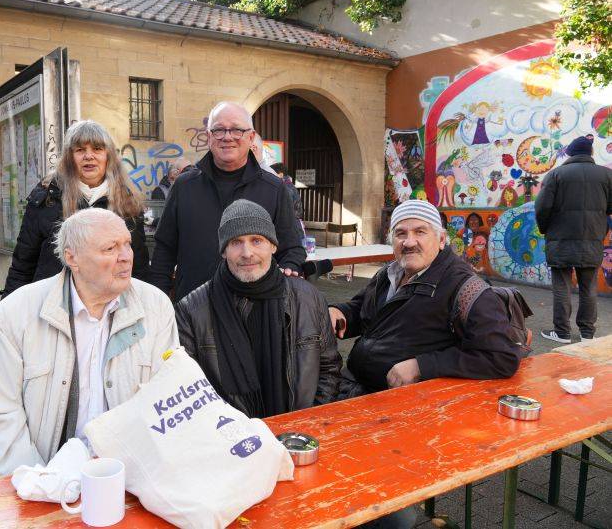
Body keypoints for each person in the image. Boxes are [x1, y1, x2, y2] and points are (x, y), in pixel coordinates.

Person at [0, 208, 180, 478]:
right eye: (110, 248)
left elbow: (168, 398)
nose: (126, 256)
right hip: (40, 477)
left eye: (127, 244)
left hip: (128, 478)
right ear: (72, 258)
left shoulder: (155, 306)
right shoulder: (16, 313)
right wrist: (40, 484)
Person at [328, 199, 520, 397]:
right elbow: (365, 311)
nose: (409, 242)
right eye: (400, 233)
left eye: (420, 232)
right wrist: (340, 312)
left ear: (441, 240)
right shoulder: (389, 273)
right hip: (351, 385)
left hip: (400, 402)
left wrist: (422, 366)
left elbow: (501, 357)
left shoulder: (466, 289)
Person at [175, 200, 341, 418]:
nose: (247, 252)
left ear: (273, 246)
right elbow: (187, 390)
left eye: (256, 240)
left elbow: (328, 370)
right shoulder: (191, 311)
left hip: (298, 428)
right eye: (236, 242)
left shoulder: (308, 299)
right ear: (223, 250)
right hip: (228, 434)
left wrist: (304, 424)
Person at [150, 101, 305, 301]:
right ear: (209, 137)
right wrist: (159, 301)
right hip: (192, 308)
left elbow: (292, 249)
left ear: (251, 137)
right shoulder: (184, 186)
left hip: (254, 308)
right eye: (219, 130)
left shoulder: (274, 189)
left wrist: (289, 268)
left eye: (236, 130)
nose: (227, 136)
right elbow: (164, 249)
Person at [3, 120, 149, 296]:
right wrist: (9, 307)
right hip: (53, 304)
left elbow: (138, 269)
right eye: (80, 150)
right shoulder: (47, 199)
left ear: (108, 156)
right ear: (69, 158)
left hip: (110, 305)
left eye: (97, 149)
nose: (89, 156)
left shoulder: (127, 203)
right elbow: (22, 266)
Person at [534, 135, 612, 343]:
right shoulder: (607, 176)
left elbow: (542, 207)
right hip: (592, 239)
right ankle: (587, 333)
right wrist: (601, 227)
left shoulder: (556, 175)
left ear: (569, 153)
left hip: (560, 239)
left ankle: (562, 333)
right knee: (589, 287)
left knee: (562, 285)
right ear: (590, 153)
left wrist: (545, 229)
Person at [272, 162, 305, 240]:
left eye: (272, 174)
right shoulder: (289, 185)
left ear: (280, 174)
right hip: (294, 227)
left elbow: (285, 212)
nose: (270, 176)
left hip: (289, 229)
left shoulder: (285, 188)